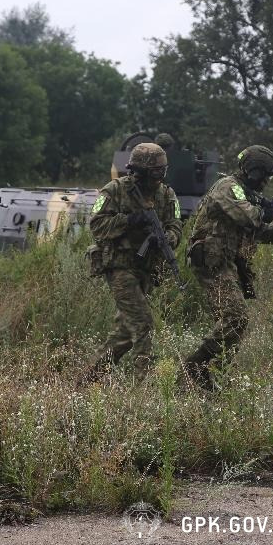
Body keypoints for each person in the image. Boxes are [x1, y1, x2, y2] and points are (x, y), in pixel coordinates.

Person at [183, 145, 273, 389]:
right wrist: (270, 212)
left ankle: (209, 376)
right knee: (236, 319)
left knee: (232, 324)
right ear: (252, 172)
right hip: (211, 260)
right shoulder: (229, 187)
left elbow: (259, 231)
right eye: (264, 175)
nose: (266, 181)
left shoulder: (246, 193)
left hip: (225, 261)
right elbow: (250, 217)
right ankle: (191, 369)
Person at [84, 142, 183, 380]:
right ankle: (142, 387)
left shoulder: (167, 194)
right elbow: (96, 226)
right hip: (119, 265)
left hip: (147, 268)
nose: (160, 176)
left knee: (125, 333)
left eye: (163, 171)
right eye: (156, 171)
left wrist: (169, 237)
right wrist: (130, 220)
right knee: (142, 323)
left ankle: (87, 380)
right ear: (140, 171)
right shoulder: (115, 190)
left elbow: (176, 225)